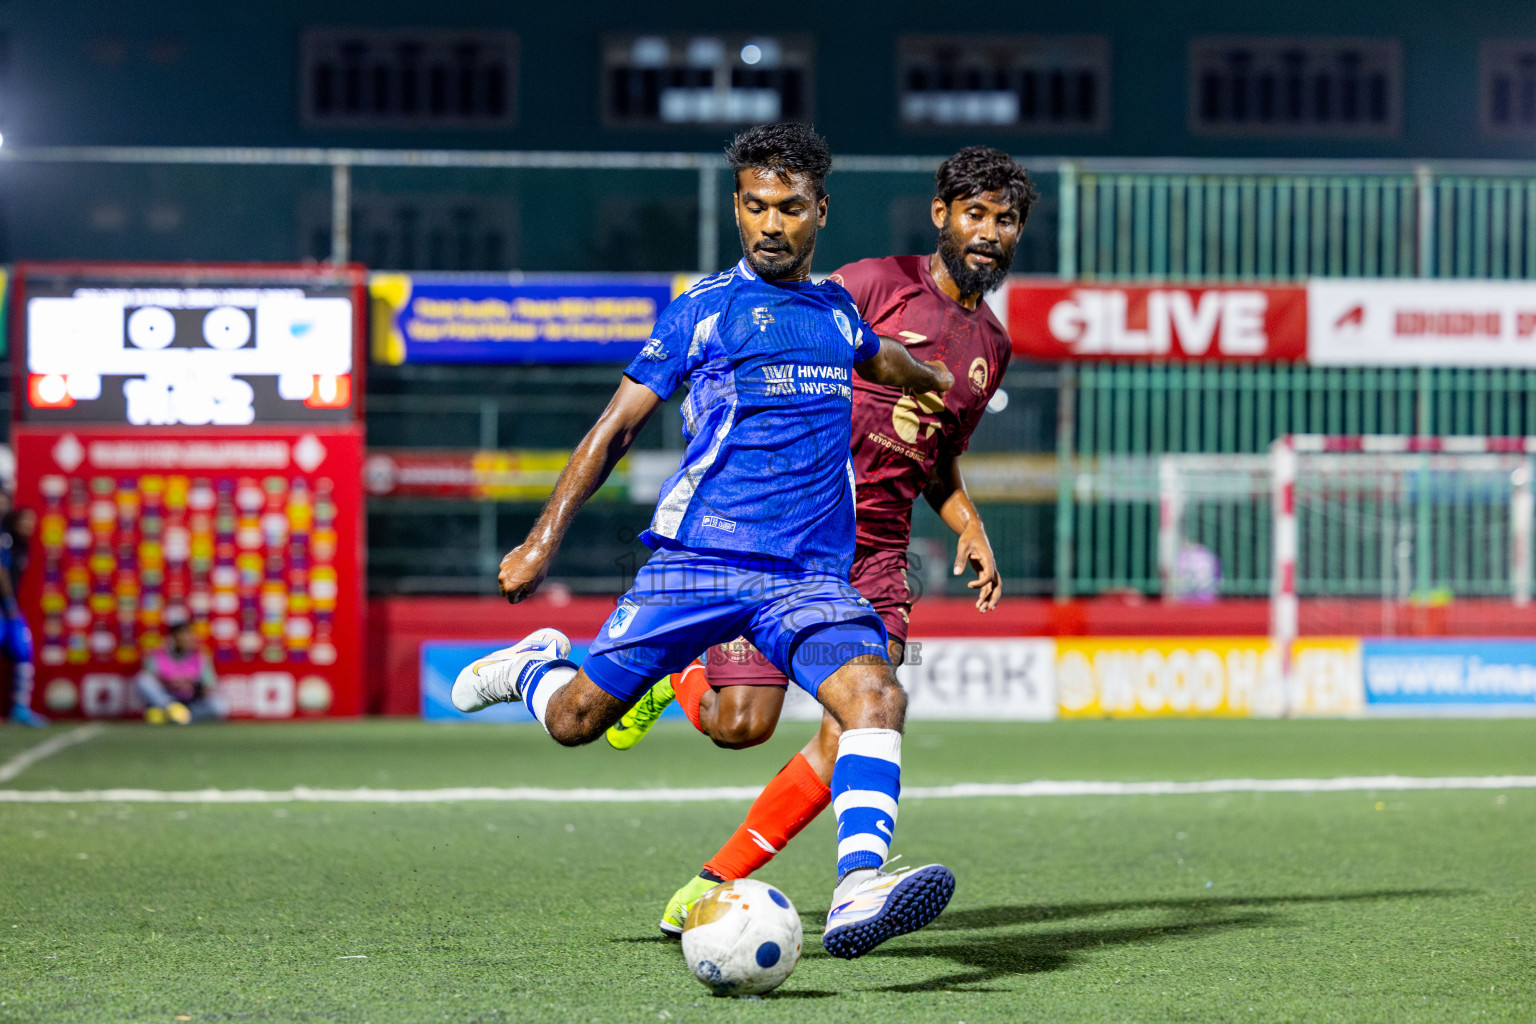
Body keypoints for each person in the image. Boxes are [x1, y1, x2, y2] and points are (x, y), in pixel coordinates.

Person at [451, 122, 957, 960]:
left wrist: (929, 374)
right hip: (699, 565)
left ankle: (861, 886)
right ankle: (535, 667)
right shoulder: (704, 310)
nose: (770, 224)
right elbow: (613, 429)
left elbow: (885, 358)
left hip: (810, 578)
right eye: (755, 206)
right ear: (736, 207)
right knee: (579, 722)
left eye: (789, 209)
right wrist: (542, 542)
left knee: (876, 699)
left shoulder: (835, 312)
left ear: (820, 212)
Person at [602, 146, 1037, 935]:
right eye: (974, 214)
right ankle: (680, 673)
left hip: (876, 556)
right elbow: (777, 344)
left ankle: (739, 886)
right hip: (789, 541)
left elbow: (936, 459)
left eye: (1004, 221)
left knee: (857, 724)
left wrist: (970, 525)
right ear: (941, 215)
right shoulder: (871, 284)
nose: (988, 233)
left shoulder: (992, 349)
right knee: (741, 726)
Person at [0, 496, 46, 728]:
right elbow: (2, 573)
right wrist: (8, 603)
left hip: (11, 609)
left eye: (32, 521)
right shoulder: (4, 538)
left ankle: (20, 708)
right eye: (25, 520)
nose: (30, 525)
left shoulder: (20, 544)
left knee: (23, 652)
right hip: (5, 608)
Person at [135, 613, 225, 725]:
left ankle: (176, 717)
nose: (188, 638)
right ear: (173, 636)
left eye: (190, 634)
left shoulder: (200, 657)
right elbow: (149, 681)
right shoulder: (157, 655)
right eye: (183, 634)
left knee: (220, 706)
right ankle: (172, 710)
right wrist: (170, 683)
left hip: (191, 701)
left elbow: (209, 686)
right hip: (167, 697)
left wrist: (193, 686)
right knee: (142, 680)